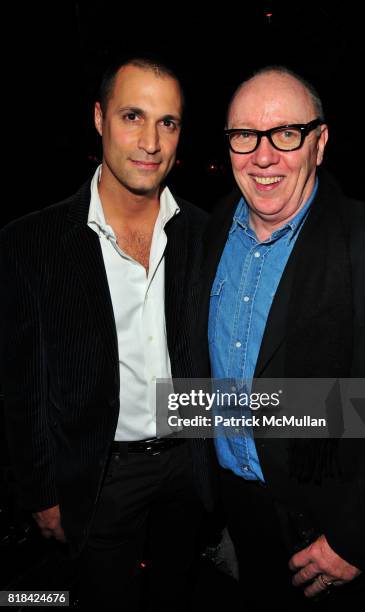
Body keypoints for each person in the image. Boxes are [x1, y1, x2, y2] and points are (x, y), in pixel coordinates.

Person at [0, 57, 210, 610]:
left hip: (189, 470)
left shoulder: (204, 232)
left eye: (168, 122)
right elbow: (22, 387)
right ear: (99, 118)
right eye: (133, 116)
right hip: (99, 475)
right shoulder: (33, 242)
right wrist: (42, 494)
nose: (150, 141)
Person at [197, 66, 365, 609]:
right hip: (237, 513)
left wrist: (359, 537)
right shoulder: (209, 231)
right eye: (245, 135)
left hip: (332, 525)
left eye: (287, 133)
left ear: (320, 142)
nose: (263, 156)